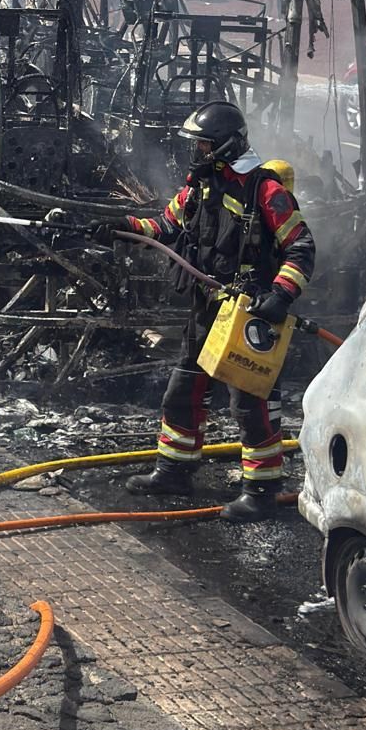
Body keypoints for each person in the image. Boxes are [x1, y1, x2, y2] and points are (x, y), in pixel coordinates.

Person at [112, 101, 315, 521]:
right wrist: (122, 227)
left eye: (203, 144)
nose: (197, 152)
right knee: (182, 393)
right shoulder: (200, 186)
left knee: (251, 405)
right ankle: (174, 472)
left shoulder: (265, 190)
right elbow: (164, 226)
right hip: (207, 309)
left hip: (249, 313)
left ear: (224, 145)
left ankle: (261, 491)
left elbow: (301, 246)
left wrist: (280, 294)